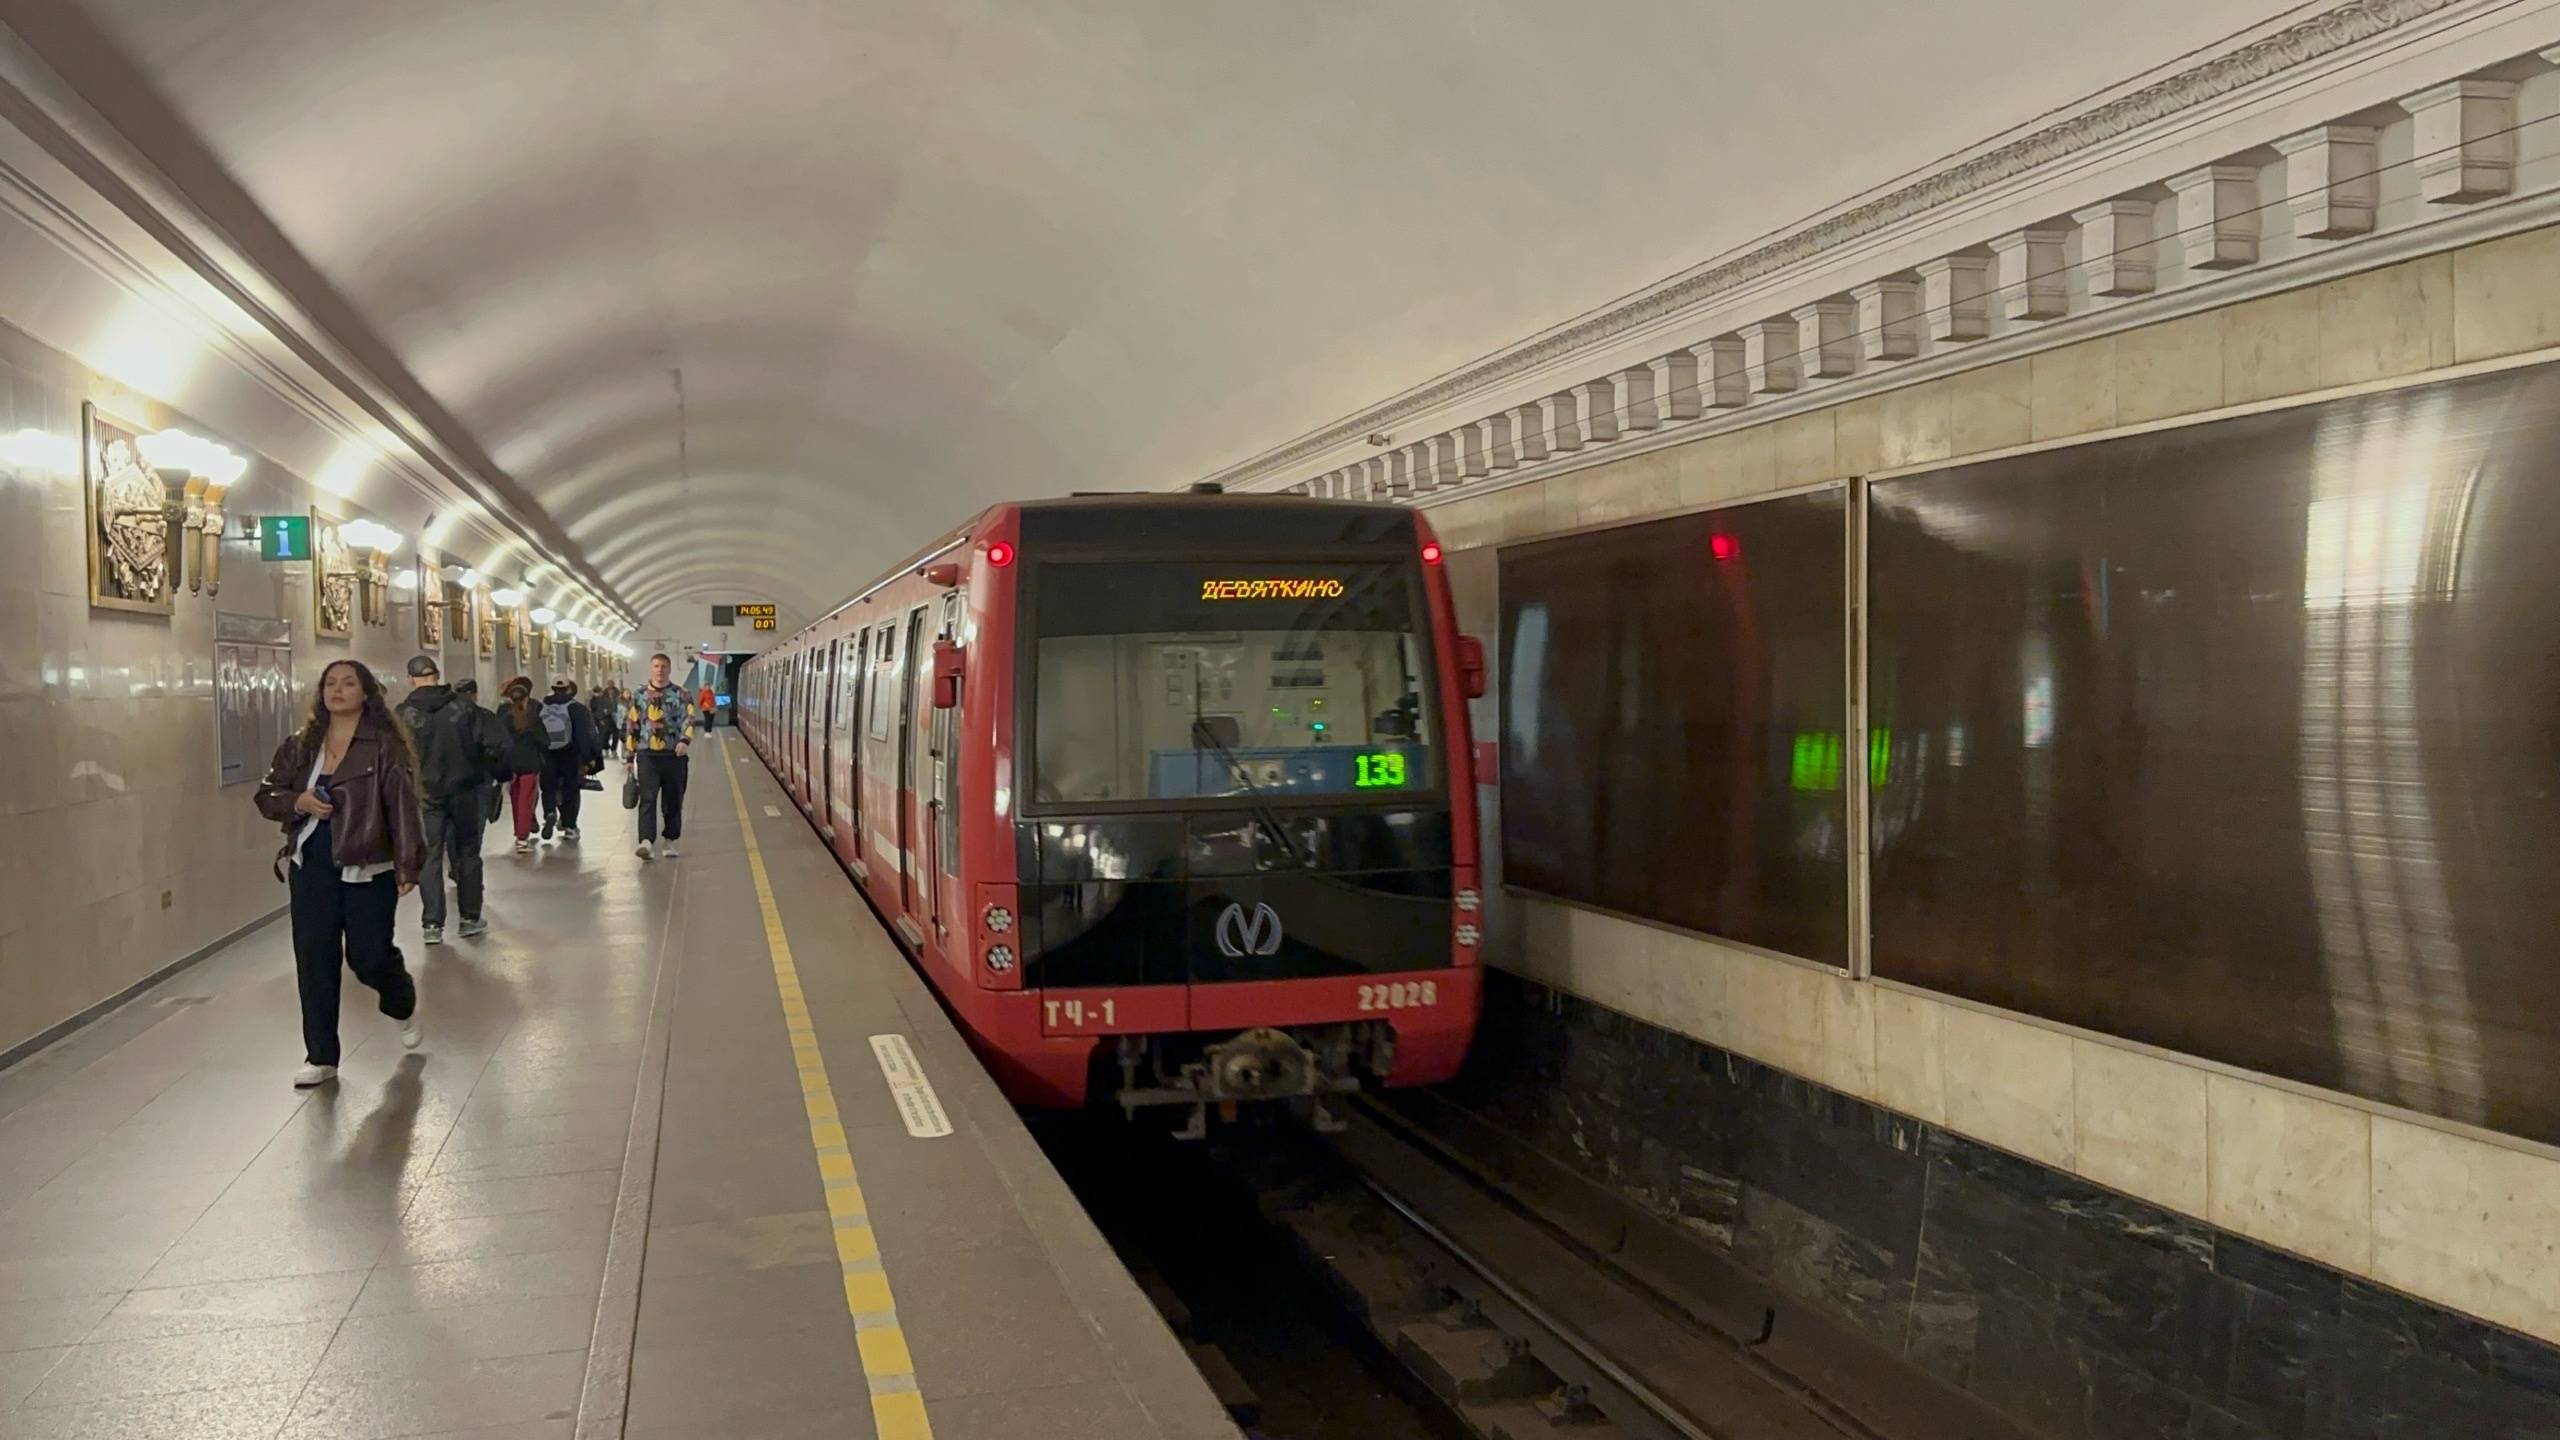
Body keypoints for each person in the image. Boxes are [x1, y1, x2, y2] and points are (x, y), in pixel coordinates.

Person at [253, 659, 426, 1088]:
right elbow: (268, 794)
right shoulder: (301, 745)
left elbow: (402, 805)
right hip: (311, 866)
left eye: (348, 683)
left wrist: (408, 862)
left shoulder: (383, 745)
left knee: (368, 956)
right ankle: (321, 1056)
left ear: (365, 692)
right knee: (314, 959)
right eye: (330, 683)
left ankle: (400, 998)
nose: (338, 690)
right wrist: (299, 801)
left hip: (367, 867)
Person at [395, 655, 493, 944]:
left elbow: (396, 759)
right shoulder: (463, 707)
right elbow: (489, 745)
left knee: (431, 856)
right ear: (437, 676)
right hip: (464, 790)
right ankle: (470, 918)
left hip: (425, 795)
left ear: (410, 679)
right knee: (467, 853)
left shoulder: (402, 714)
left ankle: (432, 925)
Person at [629, 652, 697, 860]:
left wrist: (684, 740)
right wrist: (629, 756)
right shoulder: (639, 695)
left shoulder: (682, 694)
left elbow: (689, 718)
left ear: (669, 669)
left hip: (674, 756)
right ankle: (646, 841)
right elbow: (632, 724)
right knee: (647, 799)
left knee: (673, 800)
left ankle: (670, 839)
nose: (660, 670)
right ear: (651, 669)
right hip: (647, 755)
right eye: (656, 666)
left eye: (663, 666)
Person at [536, 678, 602, 842]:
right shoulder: (576, 708)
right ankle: (570, 826)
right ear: (568, 689)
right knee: (571, 789)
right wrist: (589, 758)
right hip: (570, 755)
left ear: (552, 687)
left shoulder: (541, 707)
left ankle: (550, 812)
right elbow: (584, 735)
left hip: (547, 754)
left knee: (548, 787)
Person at [495, 675, 548, 854]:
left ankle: (519, 829)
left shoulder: (503, 715)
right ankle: (522, 837)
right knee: (526, 799)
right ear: (526, 698)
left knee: (516, 798)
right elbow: (544, 740)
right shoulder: (532, 717)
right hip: (529, 763)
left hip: (510, 763)